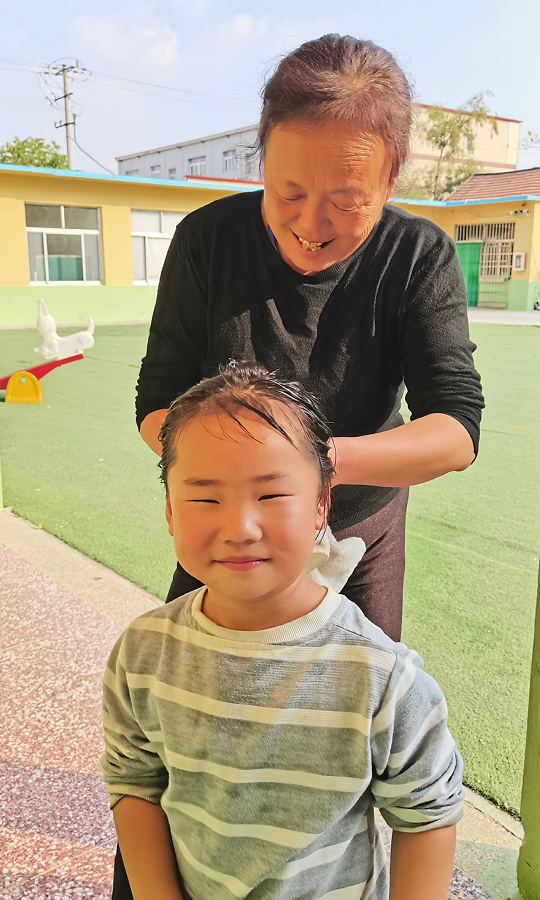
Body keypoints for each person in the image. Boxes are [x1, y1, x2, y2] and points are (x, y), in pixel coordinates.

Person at [135, 33, 484, 645]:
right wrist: (243, 485)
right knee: (192, 674)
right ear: (262, 161)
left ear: (390, 180)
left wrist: (314, 465)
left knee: (363, 688)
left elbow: (455, 428)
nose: (310, 224)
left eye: (347, 201)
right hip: (235, 529)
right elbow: (158, 401)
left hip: (361, 525)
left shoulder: (417, 254)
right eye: (288, 192)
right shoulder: (206, 241)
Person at [102, 363, 464, 900]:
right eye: (205, 499)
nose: (240, 528)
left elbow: (427, 813)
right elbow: (134, 780)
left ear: (321, 506)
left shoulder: (381, 676)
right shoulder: (142, 653)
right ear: (171, 512)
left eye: (271, 496)